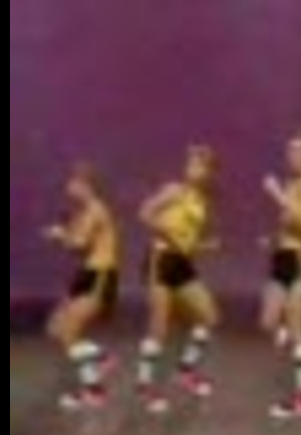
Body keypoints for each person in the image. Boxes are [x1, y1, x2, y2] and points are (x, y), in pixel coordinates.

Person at [136, 145, 221, 414]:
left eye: (201, 165)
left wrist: (205, 246)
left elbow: (188, 242)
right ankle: (145, 387)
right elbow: (144, 212)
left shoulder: (201, 200)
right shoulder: (174, 190)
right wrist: (165, 231)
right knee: (158, 327)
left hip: (182, 264)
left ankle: (185, 371)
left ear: (209, 172)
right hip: (161, 259)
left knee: (209, 316)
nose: (194, 169)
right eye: (192, 163)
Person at [42, 162, 121, 411]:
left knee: (69, 332)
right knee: (56, 328)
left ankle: (100, 371)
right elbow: (78, 244)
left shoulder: (96, 210)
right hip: (87, 275)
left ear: (86, 185)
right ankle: (96, 378)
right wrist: (63, 231)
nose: (68, 186)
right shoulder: (84, 211)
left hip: (100, 275)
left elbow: (78, 244)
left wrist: (60, 235)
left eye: (73, 182)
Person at [261, 131, 301, 420]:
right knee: (268, 321)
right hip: (282, 257)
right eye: (290, 151)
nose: (293, 157)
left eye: (299, 151)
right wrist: (273, 240)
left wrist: (277, 194)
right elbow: (287, 224)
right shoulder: (291, 184)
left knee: (298, 328)